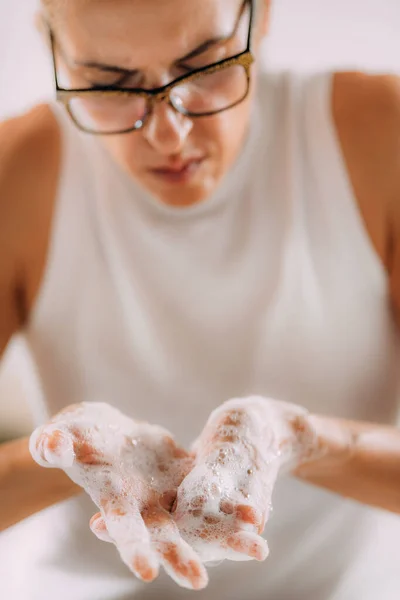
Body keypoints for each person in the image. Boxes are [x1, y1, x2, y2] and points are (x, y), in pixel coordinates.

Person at [0, 0, 400, 597]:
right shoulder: (18, 176)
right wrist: (63, 459)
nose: (168, 131)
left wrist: (304, 439)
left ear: (260, 19)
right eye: (109, 83)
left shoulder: (378, 140)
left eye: (207, 67)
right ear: (54, 52)